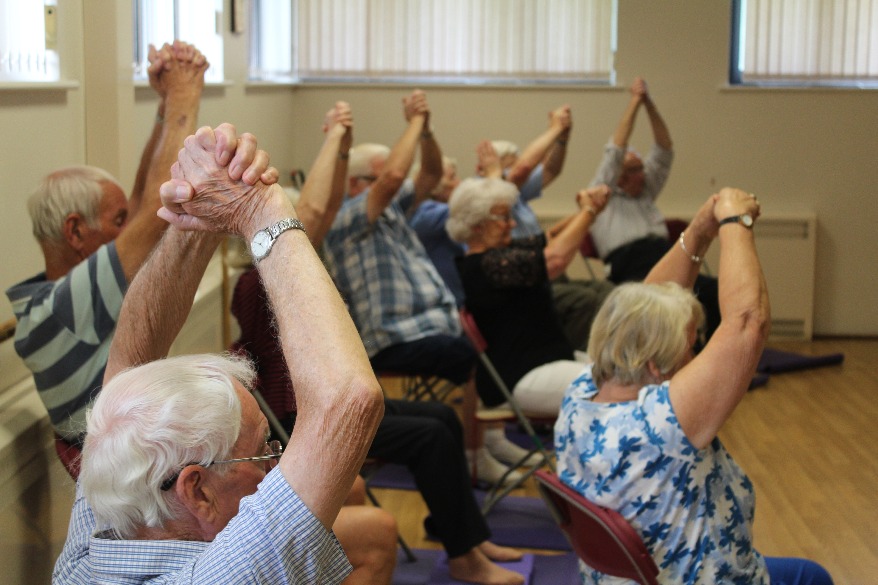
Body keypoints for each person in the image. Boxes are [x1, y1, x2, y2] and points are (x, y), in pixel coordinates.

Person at [55, 123, 386, 584]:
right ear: (197, 492)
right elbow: (348, 401)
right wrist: (258, 208)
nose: (274, 468)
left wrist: (196, 217)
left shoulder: (107, 528)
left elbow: (132, 354)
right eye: (262, 453)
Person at [554, 188, 833, 584]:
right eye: (690, 347)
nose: (697, 356)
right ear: (656, 365)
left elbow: (645, 305)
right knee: (810, 577)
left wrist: (700, 232)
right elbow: (746, 323)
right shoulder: (660, 424)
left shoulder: (580, 393)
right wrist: (737, 221)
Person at [5, 41, 212, 448]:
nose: (130, 228)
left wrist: (164, 104)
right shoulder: (62, 311)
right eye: (118, 222)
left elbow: (140, 205)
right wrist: (186, 92)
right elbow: (156, 205)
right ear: (76, 232)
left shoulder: (65, 300)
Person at [322, 90, 522, 484]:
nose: (391, 185)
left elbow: (427, 174)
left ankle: (488, 440)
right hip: (390, 337)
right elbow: (396, 176)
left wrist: (427, 131)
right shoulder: (346, 219)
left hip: (428, 324)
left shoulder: (392, 211)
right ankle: (475, 455)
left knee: (490, 338)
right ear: (356, 184)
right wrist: (413, 120)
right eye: (379, 179)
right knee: (468, 355)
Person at [447, 177, 610, 418]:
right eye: (503, 218)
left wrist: (588, 212)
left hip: (545, 362)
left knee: (630, 376)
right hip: (522, 375)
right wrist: (588, 211)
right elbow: (554, 260)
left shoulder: (499, 254)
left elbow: (552, 237)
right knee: (620, 388)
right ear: (477, 225)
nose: (512, 223)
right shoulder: (484, 265)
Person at [587, 76, 720, 339]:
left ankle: (706, 360)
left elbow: (664, 149)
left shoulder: (646, 192)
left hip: (664, 255)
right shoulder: (603, 195)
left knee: (713, 291)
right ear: (620, 176)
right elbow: (615, 150)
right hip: (630, 266)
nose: (644, 173)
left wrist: (649, 104)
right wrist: (634, 103)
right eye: (637, 169)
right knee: (666, 305)